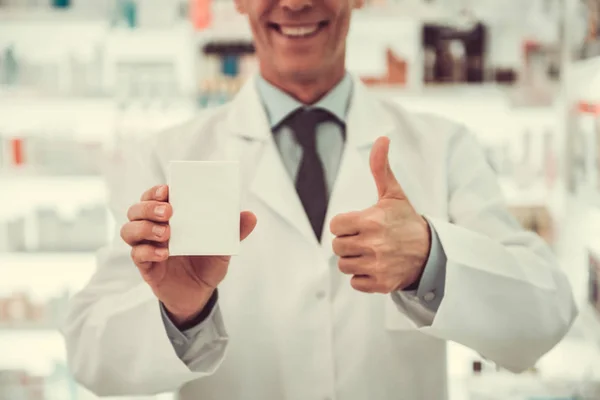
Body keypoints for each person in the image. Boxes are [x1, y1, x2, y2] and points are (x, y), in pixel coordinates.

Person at [62, 0, 578, 399]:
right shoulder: (165, 157)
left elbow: (547, 312)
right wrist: (181, 312)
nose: (293, 3)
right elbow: (91, 354)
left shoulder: (442, 146)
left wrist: (430, 262)